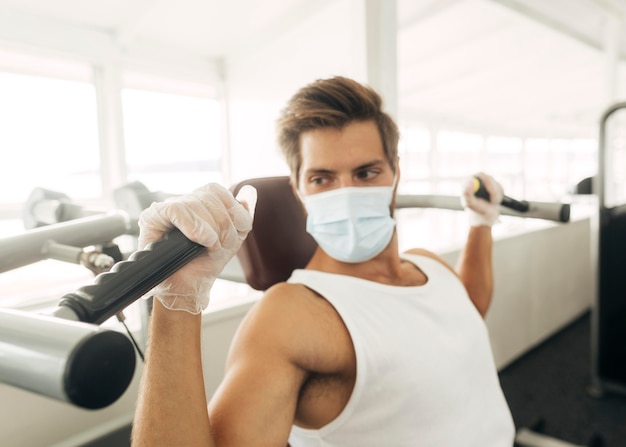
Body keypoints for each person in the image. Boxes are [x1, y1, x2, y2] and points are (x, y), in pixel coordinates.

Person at [131, 76, 515, 446]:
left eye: (366, 172)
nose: (346, 193)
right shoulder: (291, 315)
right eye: (322, 179)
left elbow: (468, 306)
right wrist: (176, 300)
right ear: (298, 188)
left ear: (396, 171)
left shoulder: (428, 264)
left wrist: (480, 223)